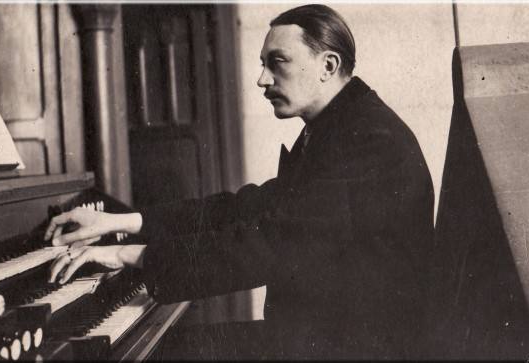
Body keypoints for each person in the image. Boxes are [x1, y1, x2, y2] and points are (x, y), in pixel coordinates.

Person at [45, 4, 434, 359]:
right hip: (326, 337)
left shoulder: (370, 140)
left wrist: (127, 255)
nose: (262, 79)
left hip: (361, 349)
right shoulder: (339, 126)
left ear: (328, 66)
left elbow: (269, 246)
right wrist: (124, 222)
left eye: (277, 62)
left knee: (158, 354)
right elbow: (246, 207)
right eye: (263, 63)